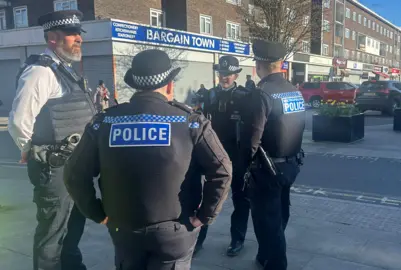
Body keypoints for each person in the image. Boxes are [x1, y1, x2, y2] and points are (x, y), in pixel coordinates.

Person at [63, 49, 233, 270]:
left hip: (123, 229)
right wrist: (204, 216)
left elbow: (74, 173)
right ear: (169, 85)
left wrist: (97, 213)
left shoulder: (105, 122)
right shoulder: (190, 122)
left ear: (135, 84)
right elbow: (222, 170)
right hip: (175, 231)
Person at [8, 10, 94, 270]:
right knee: (53, 234)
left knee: (73, 228)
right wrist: (30, 150)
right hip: (54, 168)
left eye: (79, 34)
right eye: (72, 35)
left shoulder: (64, 70)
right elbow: (19, 120)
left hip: (74, 168)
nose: (78, 38)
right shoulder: (40, 72)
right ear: (52, 38)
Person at [239, 39, 306, 270]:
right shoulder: (294, 91)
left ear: (259, 65)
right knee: (281, 213)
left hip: (267, 170)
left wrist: (242, 166)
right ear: (280, 64)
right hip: (291, 165)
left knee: (267, 221)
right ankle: (265, 256)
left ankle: (275, 263)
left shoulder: (263, 94)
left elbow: (251, 139)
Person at [194, 55, 251, 257]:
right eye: (221, 74)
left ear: (236, 74)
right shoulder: (210, 95)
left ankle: (237, 239)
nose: (224, 77)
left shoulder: (245, 96)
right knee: (206, 198)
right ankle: (198, 240)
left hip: (236, 156)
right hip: (212, 155)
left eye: (228, 74)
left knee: (240, 200)